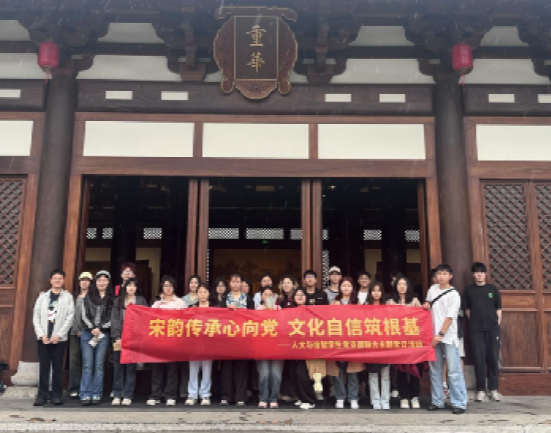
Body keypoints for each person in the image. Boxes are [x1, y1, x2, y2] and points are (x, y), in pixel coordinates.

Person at [424, 264, 468, 415]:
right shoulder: (432, 289)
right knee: (435, 370)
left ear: (450, 276)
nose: (441, 276)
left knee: (453, 370)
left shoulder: (454, 295)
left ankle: (459, 402)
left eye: (444, 274)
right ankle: (437, 401)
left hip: (448, 336)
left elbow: (450, 317)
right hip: (432, 336)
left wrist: (440, 334)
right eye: (439, 274)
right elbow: (428, 305)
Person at [32, 269, 75, 406]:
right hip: (44, 338)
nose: (57, 280)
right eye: (55, 278)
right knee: (44, 368)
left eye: (60, 278)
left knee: (57, 368)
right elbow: (36, 317)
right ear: (50, 280)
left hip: (59, 339)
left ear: (63, 280)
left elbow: (70, 317)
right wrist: (41, 334)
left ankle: (57, 395)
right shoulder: (43, 297)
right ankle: (42, 396)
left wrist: (59, 335)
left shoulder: (67, 297)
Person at [463, 262, 502, 402]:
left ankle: (493, 389)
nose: (479, 275)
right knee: (479, 359)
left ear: (485, 274)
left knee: (493, 358)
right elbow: (467, 311)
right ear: (473, 274)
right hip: (476, 329)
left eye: (481, 272)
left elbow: (498, 309)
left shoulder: (493, 289)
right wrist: (476, 322)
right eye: (476, 272)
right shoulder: (469, 290)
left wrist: (496, 324)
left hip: (492, 329)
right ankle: (480, 389)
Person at [147, 275, 186, 406]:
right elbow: (150, 320)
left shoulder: (180, 303)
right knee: (157, 369)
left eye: (170, 285)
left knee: (172, 369)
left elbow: (184, 320)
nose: (167, 288)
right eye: (165, 286)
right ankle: (155, 395)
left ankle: (170, 395)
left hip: (174, 341)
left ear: (174, 287)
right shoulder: (157, 303)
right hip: (158, 341)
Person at [387, 276, 422, 409]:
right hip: (398, 342)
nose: (402, 286)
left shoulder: (414, 301)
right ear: (395, 286)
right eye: (399, 284)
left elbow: (422, 318)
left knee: (414, 369)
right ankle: (404, 397)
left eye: (404, 284)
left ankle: (415, 396)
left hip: (413, 341)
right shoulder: (390, 301)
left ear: (408, 286)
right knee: (401, 370)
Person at [111, 278, 147, 406]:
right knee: (118, 367)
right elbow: (114, 320)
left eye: (134, 286)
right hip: (119, 339)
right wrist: (117, 337)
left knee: (131, 368)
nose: (131, 288)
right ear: (125, 287)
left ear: (136, 288)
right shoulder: (118, 301)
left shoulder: (141, 301)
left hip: (134, 339)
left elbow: (145, 319)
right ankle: (117, 394)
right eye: (129, 285)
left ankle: (127, 395)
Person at [328, 277, 363, 409]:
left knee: (353, 371)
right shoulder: (334, 302)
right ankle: (340, 397)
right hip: (337, 340)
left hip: (353, 341)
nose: (346, 288)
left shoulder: (357, 302)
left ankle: (353, 397)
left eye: (348, 286)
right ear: (340, 288)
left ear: (352, 288)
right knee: (338, 372)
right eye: (344, 286)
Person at [80, 270, 114, 405]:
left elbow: (113, 317)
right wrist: (92, 328)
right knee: (87, 364)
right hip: (87, 333)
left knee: (99, 365)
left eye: (105, 280)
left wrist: (100, 328)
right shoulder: (88, 296)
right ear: (96, 282)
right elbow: (83, 315)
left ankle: (96, 393)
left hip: (103, 334)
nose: (102, 283)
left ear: (108, 282)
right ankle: (85, 393)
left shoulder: (112, 299)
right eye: (99, 280)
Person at [221, 273, 253, 406]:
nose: (235, 284)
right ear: (230, 283)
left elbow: (253, 316)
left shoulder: (247, 298)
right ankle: (226, 396)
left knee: (241, 367)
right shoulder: (225, 298)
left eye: (238, 281)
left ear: (241, 283)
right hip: (227, 337)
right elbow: (219, 316)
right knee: (227, 368)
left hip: (242, 337)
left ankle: (241, 396)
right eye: (233, 281)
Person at [287, 287, 317, 410]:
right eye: (297, 295)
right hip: (292, 347)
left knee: (302, 374)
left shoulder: (311, 310)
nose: (299, 297)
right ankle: (300, 397)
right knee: (293, 374)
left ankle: (309, 400)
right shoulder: (289, 311)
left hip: (306, 348)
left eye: (302, 295)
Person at [186, 283, 215, 406]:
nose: (202, 294)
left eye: (205, 292)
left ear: (209, 294)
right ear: (197, 294)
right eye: (200, 292)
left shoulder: (214, 309)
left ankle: (205, 394)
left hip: (209, 343)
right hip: (194, 343)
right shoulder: (191, 308)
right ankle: (192, 394)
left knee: (207, 369)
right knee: (193, 369)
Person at [255, 286, 283, 408]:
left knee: (276, 373)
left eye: (270, 295)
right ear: (261, 297)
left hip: (277, 346)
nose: (268, 297)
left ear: (274, 297)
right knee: (264, 373)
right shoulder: (257, 310)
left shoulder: (279, 309)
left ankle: (273, 398)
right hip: (262, 346)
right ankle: (263, 397)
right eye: (265, 294)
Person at [366, 281, 390, 410]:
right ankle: (375, 400)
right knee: (373, 373)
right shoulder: (365, 307)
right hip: (370, 345)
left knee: (385, 373)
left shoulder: (387, 307)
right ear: (370, 292)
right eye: (374, 290)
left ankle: (385, 400)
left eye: (378, 290)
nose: (376, 293)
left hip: (385, 344)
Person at [67, 271, 92, 398]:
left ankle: (86, 388)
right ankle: (73, 388)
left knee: (87, 361)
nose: (84, 282)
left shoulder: (93, 297)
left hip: (88, 332)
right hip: (73, 333)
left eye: (87, 280)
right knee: (74, 360)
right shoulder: (73, 297)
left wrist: (84, 329)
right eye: (82, 280)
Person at [278, 275, 299, 402]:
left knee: (293, 367)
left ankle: (294, 393)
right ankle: (285, 391)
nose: (286, 285)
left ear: (293, 285)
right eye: (284, 283)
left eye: (288, 283)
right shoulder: (280, 300)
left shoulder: (297, 298)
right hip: (282, 337)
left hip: (294, 336)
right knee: (284, 366)